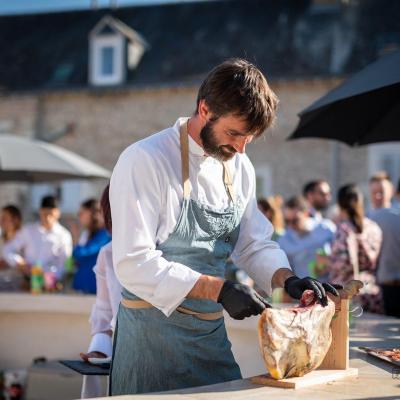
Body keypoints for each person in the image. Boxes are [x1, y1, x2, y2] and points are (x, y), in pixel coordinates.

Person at [109, 58, 340, 395]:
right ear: (205, 108)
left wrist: (286, 279)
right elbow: (133, 263)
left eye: (249, 138)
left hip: (209, 337)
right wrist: (219, 290)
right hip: (151, 341)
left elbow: (252, 244)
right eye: (234, 133)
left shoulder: (239, 165)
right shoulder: (145, 160)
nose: (241, 148)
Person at [80, 185, 121, 398]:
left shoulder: (168, 251)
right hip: (124, 362)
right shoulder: (108, 254)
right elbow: (104, 312)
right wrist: (100, 349)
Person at [321, 184, 383, 314]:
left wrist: (325, 261)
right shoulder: (374, 227)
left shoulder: (343, 229)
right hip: (371, 290)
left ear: (339, 204)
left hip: (347, 294)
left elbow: (343, 264)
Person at [4, 196, 72, 282]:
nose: (47, 218)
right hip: (27, 281)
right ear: (40, 212)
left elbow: (64, 263)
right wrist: (20, 263)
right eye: (44, 214)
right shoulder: (28, 230)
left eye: (50, 214)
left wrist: (54, 278)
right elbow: (8, 249)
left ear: (58, 213)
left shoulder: (64, 235)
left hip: (51, 282)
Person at [278, 196, 335, 279]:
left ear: (306, 213)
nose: (290, 225)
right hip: (304, 289)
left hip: (332, 287)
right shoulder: (283, 241)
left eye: (295, 220)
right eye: (287, 221)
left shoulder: (326, 228)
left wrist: (329, 262)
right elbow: (285, 273)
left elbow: (341, 257)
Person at [368, 175, 400, 318]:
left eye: (382, 190)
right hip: (378, 288)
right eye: (374, 192)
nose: (378, 195)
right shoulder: (365, 219)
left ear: (392, 191)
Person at [72, 198, 111, 294]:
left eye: (82, 212)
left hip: (95, 292)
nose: (79, 216)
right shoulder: (87, 234)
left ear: (92, 213)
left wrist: (75, 238)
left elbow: (82, 254)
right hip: (84, 290)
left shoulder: (105, 234)